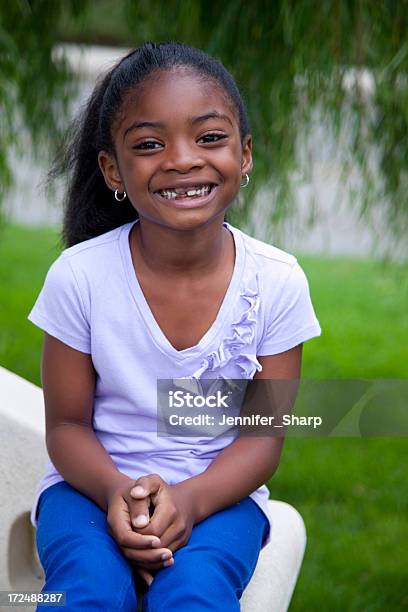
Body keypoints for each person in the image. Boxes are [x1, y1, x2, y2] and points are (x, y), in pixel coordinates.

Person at [27, 41, 322, 611]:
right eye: (149, 145)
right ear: (113, 168)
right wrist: (117, 493)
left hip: (220, 496)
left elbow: (262, 438)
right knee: (86, 588)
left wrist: (188, 501)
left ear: (246, 153)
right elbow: (66, 426)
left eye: (209, 137)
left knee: (195, 591)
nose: (183, 159)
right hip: (88, 491)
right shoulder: (81, 277)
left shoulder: (278, 282)